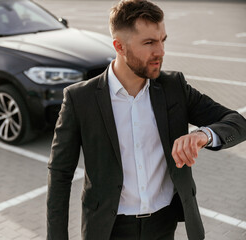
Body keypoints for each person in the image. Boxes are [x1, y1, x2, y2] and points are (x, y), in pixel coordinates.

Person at [46, 0, 246, 239]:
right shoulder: (80, 99)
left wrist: (203, 135)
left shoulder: (174, 87)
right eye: (149, 42)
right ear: (119, 47)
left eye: (163, 40)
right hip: (108, 229)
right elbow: (60, 174)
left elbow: (237, 123)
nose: (161, 51)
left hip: (163, 225)